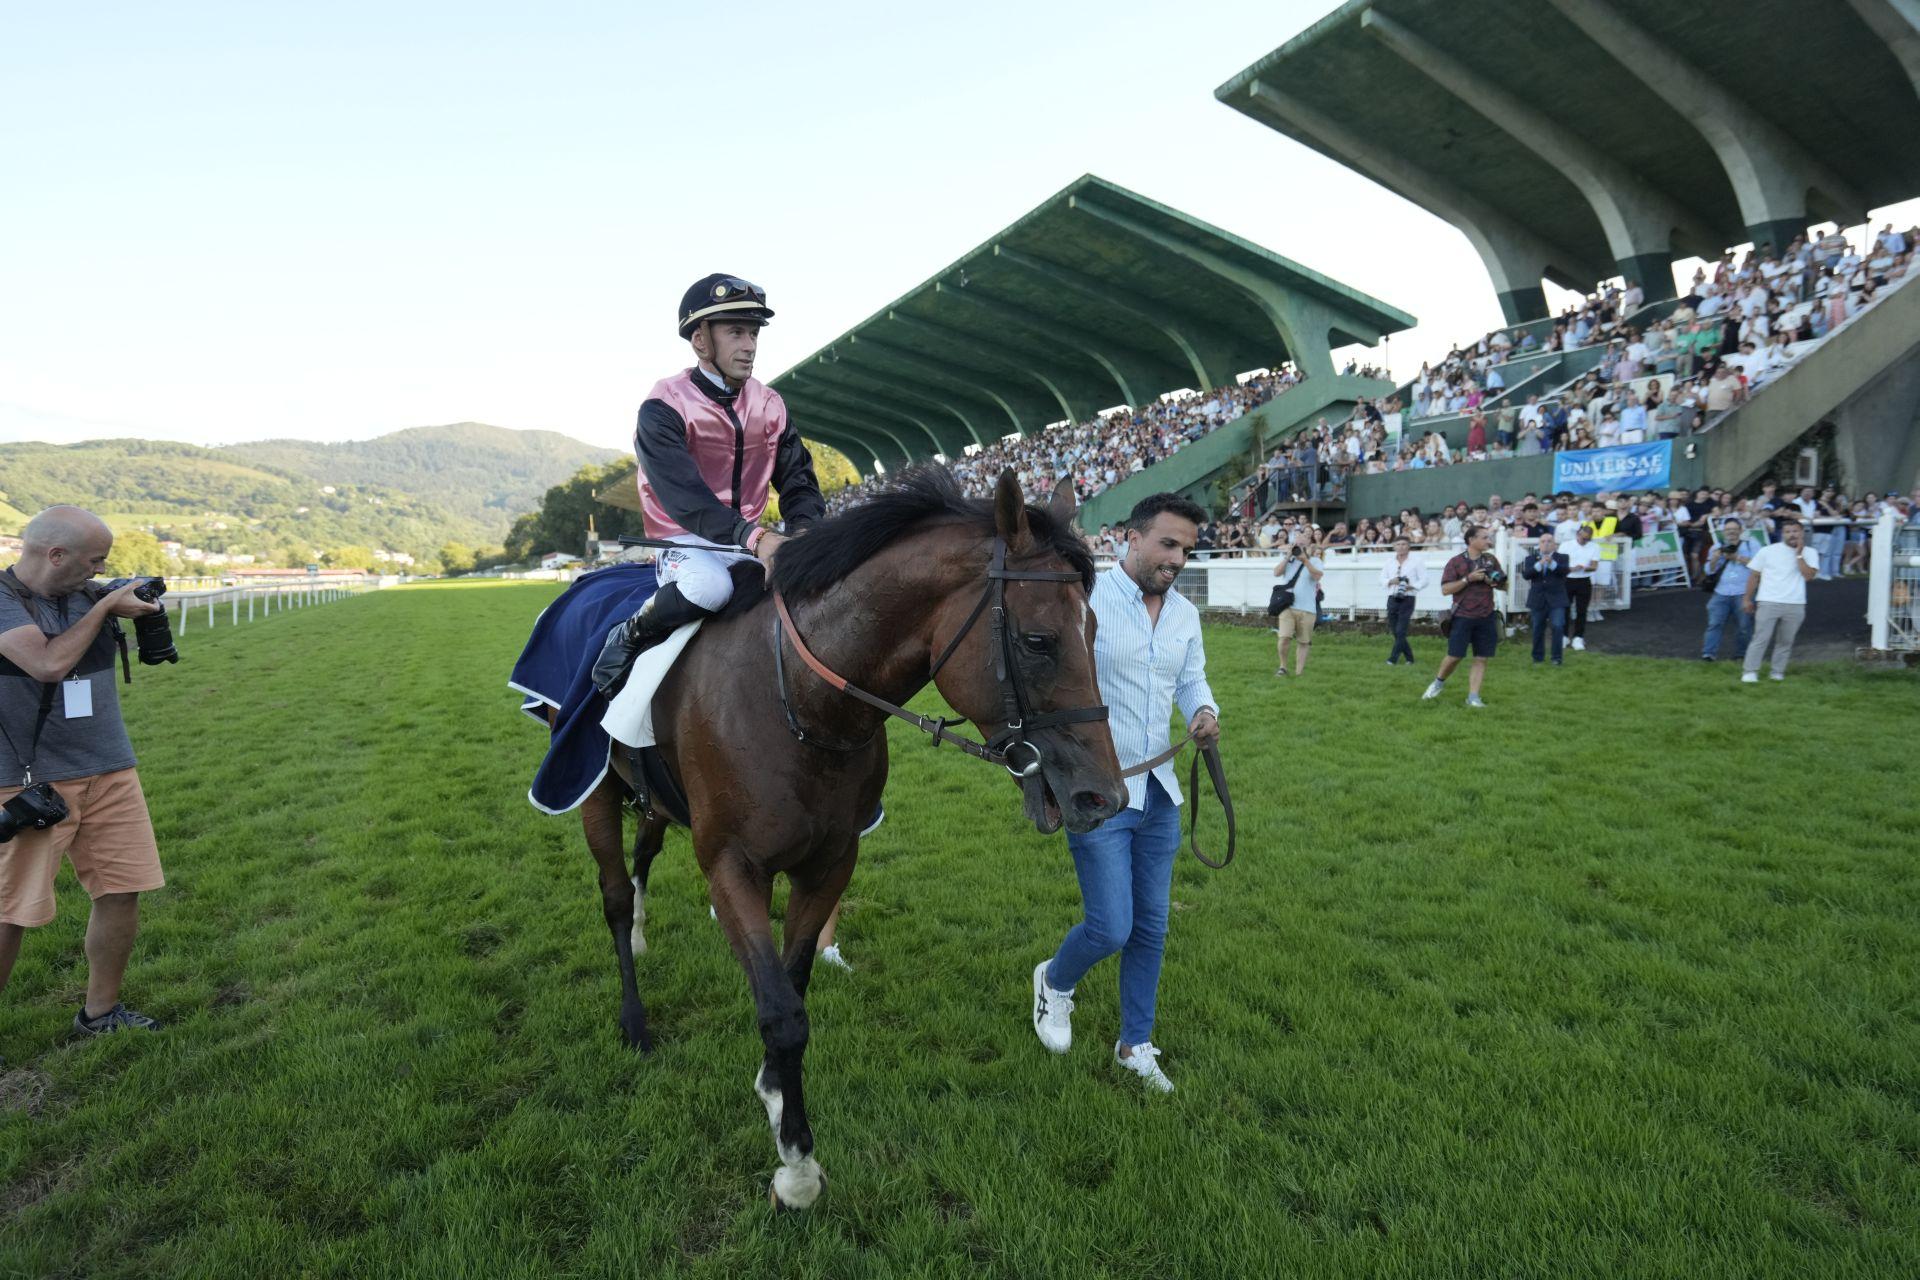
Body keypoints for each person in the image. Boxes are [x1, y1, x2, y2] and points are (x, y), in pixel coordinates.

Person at [1031, 493, 1220, 1093]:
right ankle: (1055, 982)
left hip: (1160, 792)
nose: (1177, 558)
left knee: (1151, 928)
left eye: (1186, 549)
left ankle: (1135, 1043)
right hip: (1100, 791)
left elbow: (1191, 679)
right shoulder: (1082, 605)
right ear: (1131, 539)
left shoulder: (1185, 614)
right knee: (1110, 927)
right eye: (1168, 543)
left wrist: (1204, 709)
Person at [594, 275, 825, 687]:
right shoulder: (663, 406)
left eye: (753, 333)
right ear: (700, 341)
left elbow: (800, 482)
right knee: (709, 587)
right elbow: (687, 500)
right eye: (736, 332)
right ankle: (629, 634)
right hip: (686, 542)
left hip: (748, 542)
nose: (750, 345)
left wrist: (804, 535)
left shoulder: (771, 405)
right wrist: (757, 538)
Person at [0, 506, 171, 1042]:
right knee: (10, 912)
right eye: (94, 561)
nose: (100, 571)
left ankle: (101, 1014)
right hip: (29, 782)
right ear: (56, 555)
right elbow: (47, 663)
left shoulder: (87, 592)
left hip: (110, 767)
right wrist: (103, 611)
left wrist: (135, 602)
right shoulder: (3, 601)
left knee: (122, 890)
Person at [1422, 525, 1501, 707]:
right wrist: (1468, 579)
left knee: (1481, 658)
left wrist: (1494, 582)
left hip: (1486, 615)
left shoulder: (1491, 560)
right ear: (1471, 540)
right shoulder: (1455, 562)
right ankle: (1438, 683)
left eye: (1488, 537)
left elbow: (1504, 584)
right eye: (1484, 537)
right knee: (1455, 656)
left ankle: (1473, 697)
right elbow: (1445, 589)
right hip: (1463, 616)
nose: (1488, 541)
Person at [1741, 519, 1818, 683]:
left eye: (1795, 531)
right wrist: (1747, 598)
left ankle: (1777, 672)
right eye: (1788, 531)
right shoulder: (1767, 551)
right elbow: (1754, 576)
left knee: (1786, 641)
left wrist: (1799, 554)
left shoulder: (1810, 552)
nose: (1792, 535)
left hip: (1796, 603)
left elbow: (1809, 576)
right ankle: (1750, 671)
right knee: (1760, 638)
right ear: (1782, 534)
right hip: (1768, 601)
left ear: (1802, 532)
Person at [1701, 518, 1756, 662]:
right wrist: (1714, 559)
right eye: (1728, 529)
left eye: (1734, 529)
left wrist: (1737, 557)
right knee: (1714, 624)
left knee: (1744, 626)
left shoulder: (1751, 544)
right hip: (1721, 592)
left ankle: (1741, 654)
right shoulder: (1717, 546)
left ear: (1740, 530)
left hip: (1743, 592)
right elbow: (1709, 571)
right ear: (1723, 532)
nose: (1731, 532)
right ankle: (1708, 654)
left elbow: (1759, 565)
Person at [1272, 539, 1324, 677]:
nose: (1299, 548)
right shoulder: (1289, 561)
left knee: (1303, 641)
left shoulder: (1315, 561)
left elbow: (1318, 576)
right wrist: (1288, 556)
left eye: (1302, 545)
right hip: (1287, 606)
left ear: (1308, 547)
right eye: (1297, 545)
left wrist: (1305, 561)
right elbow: (1276, 573)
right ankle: (1283, 667)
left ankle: (1299, 673)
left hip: (1308, 608)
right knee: (1284, 637)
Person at [1520, 532, 1570, 664]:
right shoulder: (1531, 558)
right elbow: (1526, 575)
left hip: (1557, 599)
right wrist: (1540, 564)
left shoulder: (1562, 557)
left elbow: (1564, 571)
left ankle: (1556, 658)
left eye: (1549, 541)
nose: (1546, 543)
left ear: (1554, 545)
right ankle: (1537, 658)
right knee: (1537, 629)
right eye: (1543, 541)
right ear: (1539, 544)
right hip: (1538, 599)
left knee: (1558, 627)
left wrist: (1552, 563)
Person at [1380, 537, 1426, 666]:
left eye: (1404, 544)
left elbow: (1424, 580)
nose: (1401, 546)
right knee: (1395, 630)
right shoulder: (1389, 561)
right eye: (1398, 544)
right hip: (1392, 597)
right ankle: (1409, 658)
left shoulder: (1417, 562)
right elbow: (1381, 578)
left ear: (1409, 546)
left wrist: (1412, 586)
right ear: (1394, 546)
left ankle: (1392, 659)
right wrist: (1390, 581)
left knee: (1401, 630)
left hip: (1408, 597)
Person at [1563, 525, 1600, 650]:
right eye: (1583, 538)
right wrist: (1573, 568)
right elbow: (1561, 565)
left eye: (1587, 539)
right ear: (1578, 534)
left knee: (1582, 610)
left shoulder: (1595, 547)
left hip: (1584, 580)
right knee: (1565, 609)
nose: (1584, 541)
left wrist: (1584, 567)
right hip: (1568, 580)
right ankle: (1564, 636)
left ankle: (1578, 637)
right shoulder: (1566, 545)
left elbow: (1595, 566)